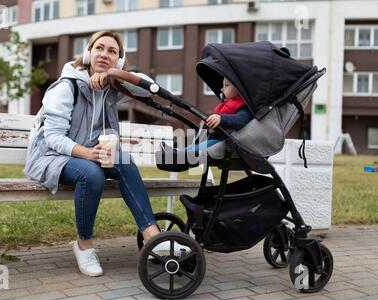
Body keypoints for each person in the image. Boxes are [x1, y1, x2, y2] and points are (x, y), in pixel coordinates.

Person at [24, 31, 188, 277]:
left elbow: (147, 89)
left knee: (124, 160)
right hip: (53, 157)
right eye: (99, 48)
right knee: (92, 175)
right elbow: (53, 138)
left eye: (112, 51)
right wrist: (87, 154)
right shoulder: (67, 87)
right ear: (88, 53)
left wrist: (114, 75)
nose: (104, 54)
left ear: (119, 61)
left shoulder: (112, 86)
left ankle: (152, 236)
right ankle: (84, 245)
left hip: (89, 154)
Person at [183, 77, 252, 153]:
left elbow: (241, 120)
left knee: (205, 146)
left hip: (226, 143)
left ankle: (178, 154)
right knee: (198, 146)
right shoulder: (230, 103)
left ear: (239, 88)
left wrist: (221, 119)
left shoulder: (244, 106)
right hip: (219, 138)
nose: (222, 89)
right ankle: (179, 153)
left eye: (226, 85)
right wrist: (209, 121)